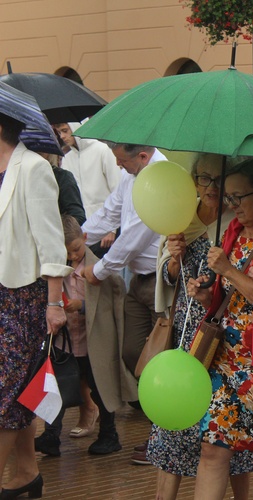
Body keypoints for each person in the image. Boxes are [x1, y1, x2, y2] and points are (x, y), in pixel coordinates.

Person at [187, 159, 253, 500]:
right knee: (213, 448)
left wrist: (228, 269)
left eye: (238, 197)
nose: (231, 205)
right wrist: (207, 294)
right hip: (225, 358)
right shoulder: (232, 231)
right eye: (228, 197)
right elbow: (227, 298)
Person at [147, 154, 253, 500]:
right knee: (175, 421)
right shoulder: (182, 216)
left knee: (227, 430)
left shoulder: (237, 221)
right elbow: (166, 276)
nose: (210, 187)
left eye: (218, 179)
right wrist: (175, 259)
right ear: (193, 180)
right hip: (185, 333)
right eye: (204, 178)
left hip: (223, 336)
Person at [0, 113, 71, 498]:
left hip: (24, 296)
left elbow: (50, 242)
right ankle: (27, 471)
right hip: (1, 293)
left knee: (5, 394)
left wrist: (54, 303)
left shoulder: (32, 169)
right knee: (19, 389)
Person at [81, 143, 165, 465]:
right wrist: (77, 242)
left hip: (163, 284)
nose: (118, 166)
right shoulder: (132, 175)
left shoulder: (161, 177)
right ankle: (159, 419)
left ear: (142, 156)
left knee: (160, 358)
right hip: (139, 280)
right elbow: (109, 212)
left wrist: (99, 271)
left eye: (122, 161)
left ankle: (162, 435)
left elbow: (134, 235)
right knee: (132, 351)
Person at [34, 215, 135, 458]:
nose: (72, 256)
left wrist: (81, 306)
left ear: (86, 238)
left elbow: (113, 302)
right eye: (67, 252)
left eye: (77, 249)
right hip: (66, 342)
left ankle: (109, 433)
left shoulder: (101, 269)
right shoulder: (57, 270)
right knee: (55, 387)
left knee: (100, 388)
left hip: (94, 344)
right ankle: (51, 435)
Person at [54, 122, 121, 257]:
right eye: (59, 132)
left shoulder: (102, 150)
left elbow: (117, 189)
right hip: (84, 232)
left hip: (108, 227)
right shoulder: (67, 158)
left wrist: (112, 229)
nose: (62, 136)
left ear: (77, 127)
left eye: (65, 130)